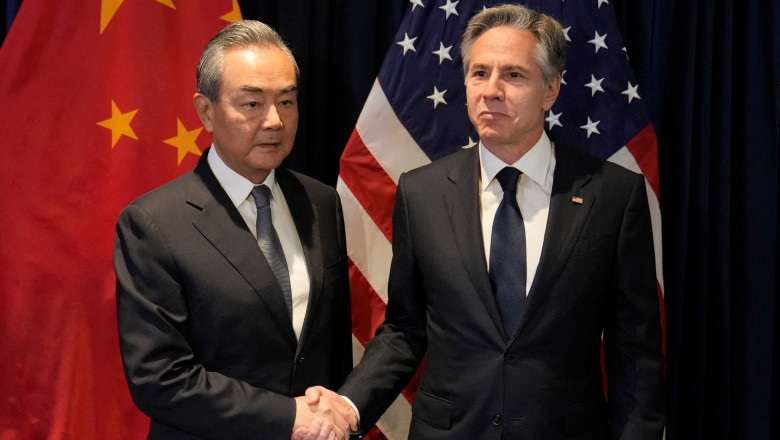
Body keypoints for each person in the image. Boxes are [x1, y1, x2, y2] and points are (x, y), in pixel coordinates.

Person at [299, 4, 665, 439]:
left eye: (513, 75)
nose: (491, 90)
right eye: (479, 73)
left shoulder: (613, 195)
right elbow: (406, 328)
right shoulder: (421, 193)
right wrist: (349, 405)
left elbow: (635, 353)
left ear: (550, 89)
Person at [114, 20, 357, 440]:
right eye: (251, 104)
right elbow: (160, 379)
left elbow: (330, 347)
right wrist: (287, 417)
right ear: (206, 112)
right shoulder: (153, 223)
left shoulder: (321, 202)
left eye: (287, 101)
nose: (275, 121)